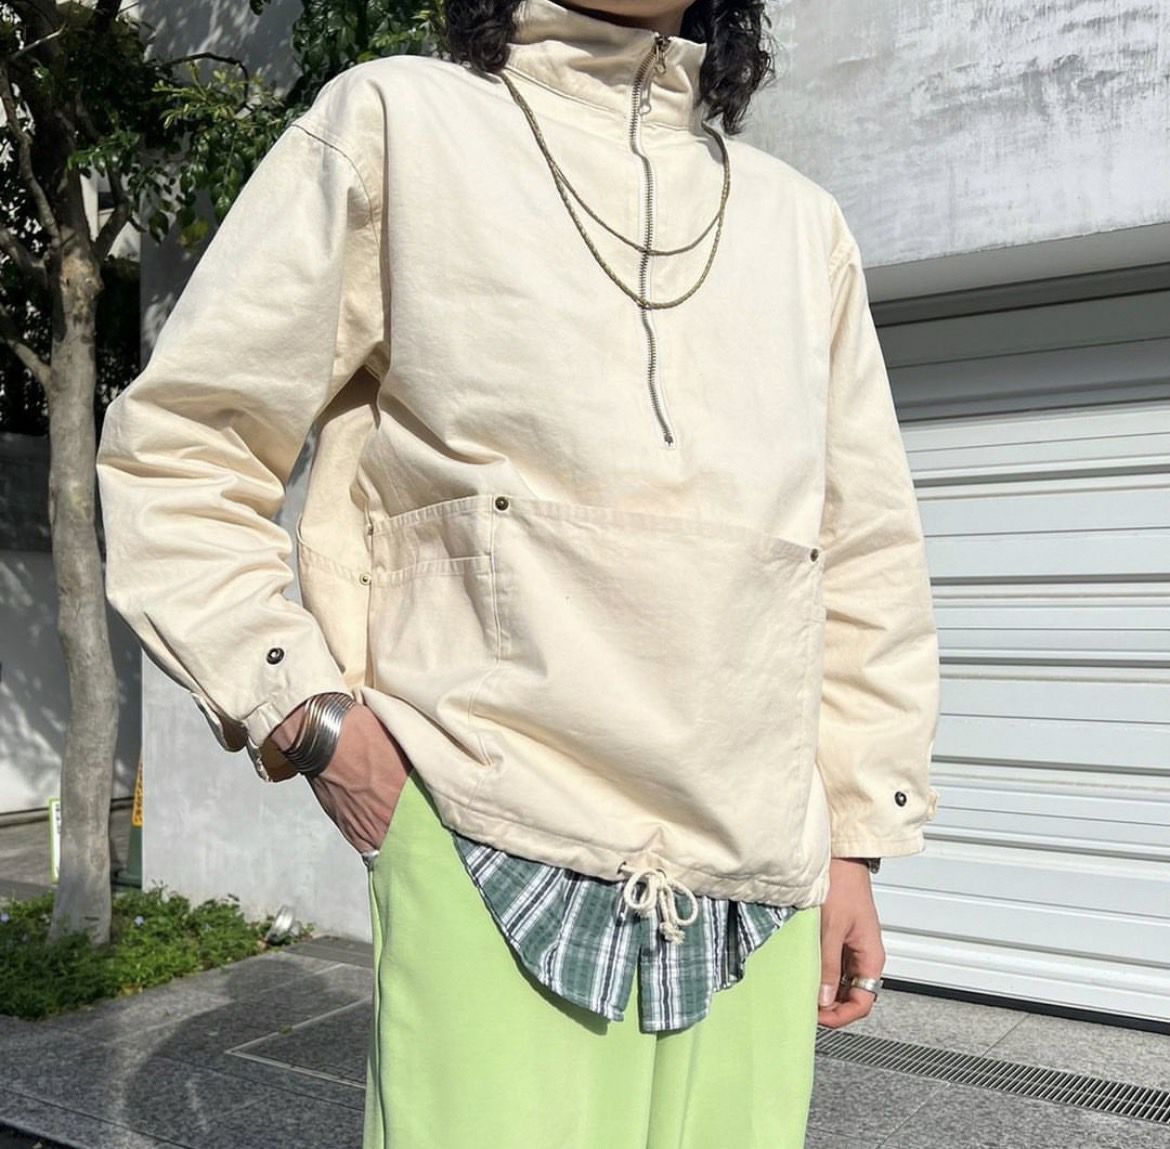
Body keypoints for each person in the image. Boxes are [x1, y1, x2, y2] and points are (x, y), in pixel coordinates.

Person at [95, 0, 942, 1143]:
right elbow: (183, 448)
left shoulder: (802, 230)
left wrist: (853, 842)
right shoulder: (399, 126)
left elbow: (864, 552)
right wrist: (310, 720)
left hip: (760, 886)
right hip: (488, 841)